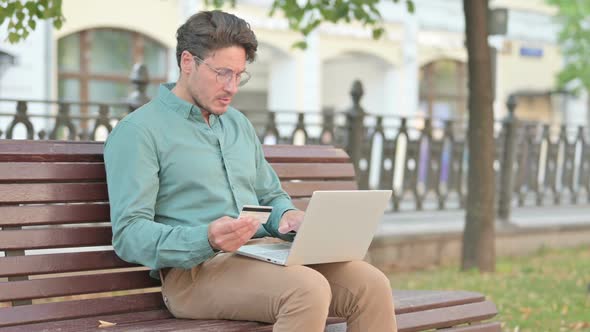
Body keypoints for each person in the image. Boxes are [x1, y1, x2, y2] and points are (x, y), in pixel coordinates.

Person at [104, 10, 397, 332]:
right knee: (307, 289)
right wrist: (206, 237)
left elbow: (270, 194)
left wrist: (287, 217)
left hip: (262, 256)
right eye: (222, 73)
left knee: (370, 284)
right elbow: (129, 233)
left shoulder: (237, 124)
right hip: (194, 275)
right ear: (188, 62)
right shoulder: (139, 131)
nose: (232, 87)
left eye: (239, 75)